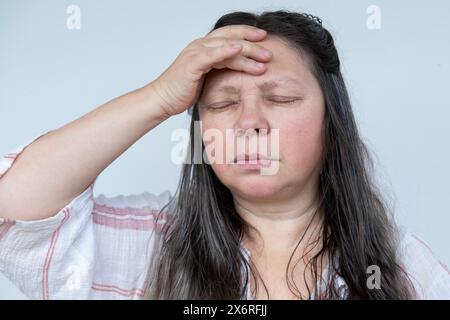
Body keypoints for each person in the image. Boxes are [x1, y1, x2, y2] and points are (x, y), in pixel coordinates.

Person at [0, 10, 449, 300]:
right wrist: (159, 96)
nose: (249, 122)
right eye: (222, 105)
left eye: (281, 98)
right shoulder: (150, 244)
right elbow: (15, 205)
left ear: (333, 127)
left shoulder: (400, 268)